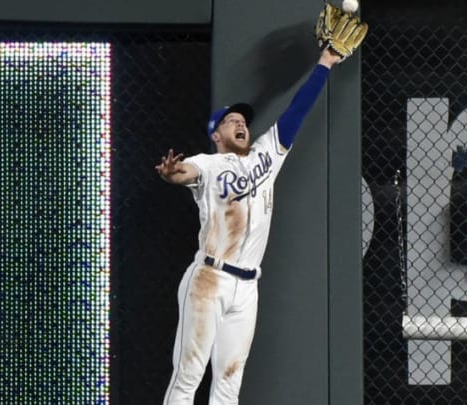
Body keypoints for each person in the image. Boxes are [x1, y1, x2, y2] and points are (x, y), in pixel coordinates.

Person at [155, 14, 364, 403]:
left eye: (243, 121)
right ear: (216, 135)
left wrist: (326, 63)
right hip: (208, 280)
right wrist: (172, 173)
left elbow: (296, 114)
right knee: (188, 376)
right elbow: (186, 173)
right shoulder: (210, 163)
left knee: (229, 384)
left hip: (248, 286)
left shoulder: (268, 154)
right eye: (231, 121)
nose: (240, 123)